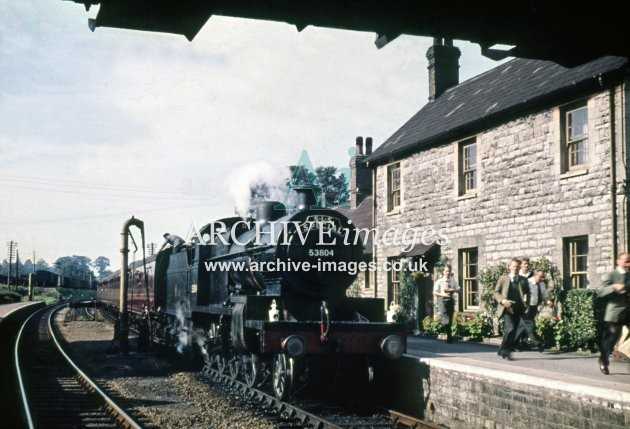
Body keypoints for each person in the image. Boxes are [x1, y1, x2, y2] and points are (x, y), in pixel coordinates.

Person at [596, 252, 630, 375]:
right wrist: (614, 287)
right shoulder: (611, 275)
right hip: (614, 312)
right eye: (626, 261)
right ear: (618, 261)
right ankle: (603, 360)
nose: (628, 264)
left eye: (629, 261)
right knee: (611, 339)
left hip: (628, 310)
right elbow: (600, 292)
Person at [494, 258, 529, 360]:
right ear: (509, 267)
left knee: (514, 331)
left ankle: (502, 349)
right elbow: (496, 292)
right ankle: (506, 352)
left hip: (518, 308)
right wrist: (503, 301)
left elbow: (527, 293)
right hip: (506, 308)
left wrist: (528, 302)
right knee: (510, 328)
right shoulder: (503, 279)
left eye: (518, 267)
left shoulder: (523, 280)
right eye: (514, 266)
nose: (516, 268)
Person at [515, 269, 549, 352]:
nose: (542, 279)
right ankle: (539, 343)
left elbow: (545, 295)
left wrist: (547, 301)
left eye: (543, 277)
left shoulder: (542, 284)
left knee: (522, 327)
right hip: (525, 307)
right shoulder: (528, 282)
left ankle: (514, 343)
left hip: (534, 307)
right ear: (535, 275)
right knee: (530, 325)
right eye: (540, 277)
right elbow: (519, 293)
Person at [433, 265, 460, 343]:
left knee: (450, 318)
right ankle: (443, 325)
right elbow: (434, 292)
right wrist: (443, 294)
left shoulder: (452, 281)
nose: (448, 273)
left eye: (449, 271)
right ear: (443, 272)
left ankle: (449, 336)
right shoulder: (439, 281)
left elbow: (458, 289)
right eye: (447, 271)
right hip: (443, 300)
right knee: (445, 316)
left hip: (450, 300)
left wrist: (454, 290)